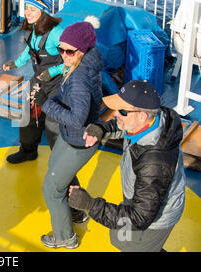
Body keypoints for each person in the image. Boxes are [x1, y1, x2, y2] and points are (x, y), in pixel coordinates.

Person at [68, 80, 186, 252]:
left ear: (142, 116)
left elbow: (140, 217)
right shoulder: (149, 121)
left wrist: (90, 205)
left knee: (132, 247)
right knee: (121, 240)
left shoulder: (154, 162)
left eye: (122, 111)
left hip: (154, 217)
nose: (115, 114)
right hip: (140, 200)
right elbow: (124, 126)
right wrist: (103, 128)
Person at [32, 16, 103, 249]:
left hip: (79, 140)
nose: (63, 55)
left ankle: (65, 238)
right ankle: (76, 211)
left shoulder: (80, 78)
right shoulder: (81, 63)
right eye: (60, 49)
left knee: (52, 190)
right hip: (70, 137)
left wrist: (45, 102)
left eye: (69, 51)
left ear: (82, 50)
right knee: (56, 167)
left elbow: (76, 118)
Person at [2, 0, 64, 164]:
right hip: (39, 79)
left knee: (54, 125)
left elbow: (73, 59)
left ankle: (60, 161)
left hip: (58, 83)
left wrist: (52, 72)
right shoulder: (32, 28)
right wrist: (17, 62)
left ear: (44, 11)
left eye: (32, 9)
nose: (27, 12)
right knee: (29, 113)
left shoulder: (57, 34)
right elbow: (31, 50)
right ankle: (28, 150)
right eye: (26, 8)